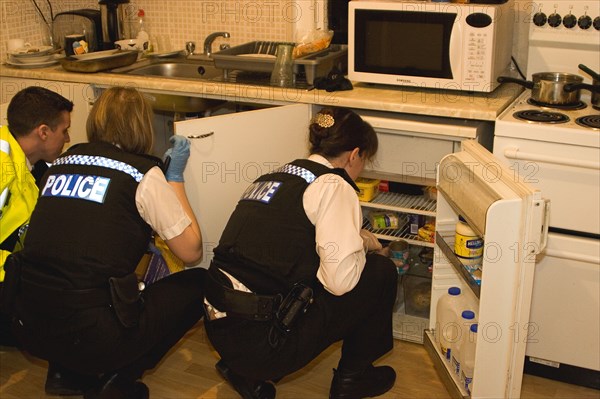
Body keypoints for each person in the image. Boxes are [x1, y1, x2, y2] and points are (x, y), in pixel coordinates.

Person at [3, 87, 205, 399]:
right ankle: (120, 378)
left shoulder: (57, 164)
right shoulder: (142, 173)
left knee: (74, 276)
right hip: (91, 336)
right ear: (141, 126)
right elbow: (191, 252)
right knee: (200, 282)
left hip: (28, 324)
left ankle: (65, 372)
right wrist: (173, 179)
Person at [203, 107, 398, 399]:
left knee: (295, 276)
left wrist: (358, 239)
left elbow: (290, 243)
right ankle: (352, 379)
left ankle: (245, 372)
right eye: (364, 161)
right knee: (379, 272)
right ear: (354, 154)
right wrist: (365, 250)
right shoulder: (334, 184)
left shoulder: (274, 178)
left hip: (222, 328)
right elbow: (340, 282)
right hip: (266, 343)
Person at [0, 87, 79, 393]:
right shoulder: (4, 168)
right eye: (65, 130)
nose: (67, 139)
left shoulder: (22, 162)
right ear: (43, 132)